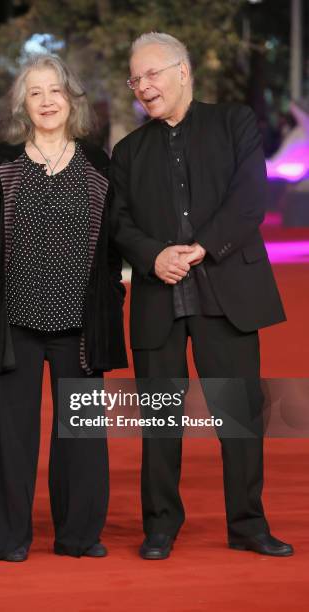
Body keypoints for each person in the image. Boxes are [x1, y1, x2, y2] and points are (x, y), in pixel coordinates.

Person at [110, 32, 293, 559]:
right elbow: (117, 223)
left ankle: (248, 525)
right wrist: (152, 256)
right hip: (157, 296)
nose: (143, 87)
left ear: (183, 71)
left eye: (152, 74)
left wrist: (199, 248)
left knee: (239, 415)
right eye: (135, 79)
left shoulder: (233, 123)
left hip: (224, 287)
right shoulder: (127, 151)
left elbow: (251, 198)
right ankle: (161, 526)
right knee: (160, 422)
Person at [0, 54, 127, 562]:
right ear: (23, 103)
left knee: (82, 437)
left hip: (79, 325)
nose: (47, 101)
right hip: (11, 320)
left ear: (71, 98)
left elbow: (112, 248)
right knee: (9, 436)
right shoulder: (1, 160)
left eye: (55, 91)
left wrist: (110, 304)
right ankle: (8, 538)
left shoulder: (98, 163)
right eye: (36, 92)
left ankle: (78, 535)